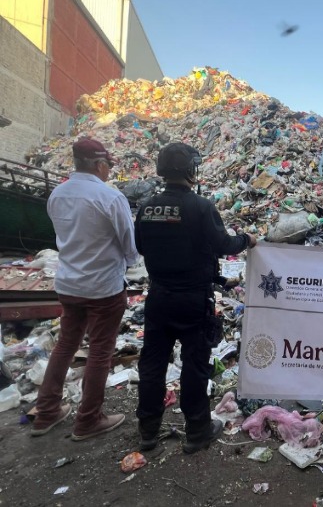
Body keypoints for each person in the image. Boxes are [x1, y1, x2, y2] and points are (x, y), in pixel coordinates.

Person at [134, 142, 257, 454]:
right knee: (194, 365)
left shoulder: (147, 207)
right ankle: (198, 430)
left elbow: (141, 247)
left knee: (152, 364)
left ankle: (148, 431)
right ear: (189, 170)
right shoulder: (200, 206)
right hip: (192, 300)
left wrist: (213, 276)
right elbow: (223, 244)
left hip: (159, 297)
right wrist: (247, 239)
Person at [31, 138, 139, 440]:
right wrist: (128, 263)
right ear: (99, 165)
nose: (108, 171)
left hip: (68, 284)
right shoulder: (110, 197)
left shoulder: (58, 194)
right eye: (108, 166)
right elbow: (129, 247)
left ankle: (47, 412)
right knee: (100, 352)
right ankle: (88, 420)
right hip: (103, 287)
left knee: (66, 345)